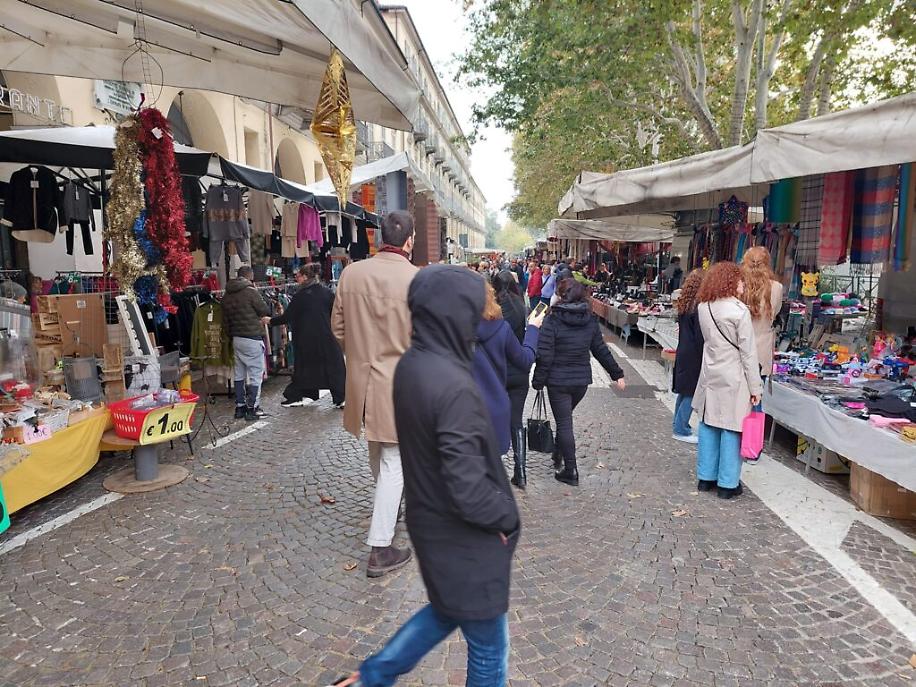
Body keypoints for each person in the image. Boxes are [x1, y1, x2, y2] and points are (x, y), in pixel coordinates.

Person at [329, 265, 521, 687]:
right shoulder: (452, 384)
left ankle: (371, 677)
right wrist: (504, 519)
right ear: (455, 315)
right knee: (489, 645)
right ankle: (373, 676)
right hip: (465, 534)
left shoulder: (414, 363)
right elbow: (468, 486)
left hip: (431, 522)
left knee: (447, 610)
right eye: (472, 311)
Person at [332, 210, 418, 578]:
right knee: (394, 460)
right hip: (398, 382)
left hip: (362, 380)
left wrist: (360, 352)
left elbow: (337, 327)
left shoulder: (352, 273)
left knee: (378, 450)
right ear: (410, 241)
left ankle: (390, 505)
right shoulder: (417, 280)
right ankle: (380, 547)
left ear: (377, 237)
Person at [532, 278, 625, 486]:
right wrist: (617, 373)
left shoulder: (552, 320)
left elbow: (545, 355)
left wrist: (538, 381)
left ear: (561, 296)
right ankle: (558, 451)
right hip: (580, 382)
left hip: (558, 382)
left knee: (564, 423)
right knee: (565, 419)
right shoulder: (589, 320)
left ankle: (571, 470)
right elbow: (600, 350)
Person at [692, 262, 762, 500]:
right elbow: (748, 353)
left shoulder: (703, 307)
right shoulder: (739, 311)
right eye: (740, 280)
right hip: (734, 375)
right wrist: (756, 387)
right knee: (732, 427)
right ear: (732, 282)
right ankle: (727, 483)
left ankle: (705, 477)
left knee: (709, 423)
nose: (743, 284)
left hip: (710, 372)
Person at [474, 275, 543, 489]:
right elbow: (525, 359)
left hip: (461, 408)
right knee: (514, 422)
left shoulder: (451, 329)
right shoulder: (504, 324)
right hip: (500, 393)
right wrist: (533, 328)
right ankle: (520, 471)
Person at [270, 263, 345, 408]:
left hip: (306, 339)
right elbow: (337, 312)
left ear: (305, 277)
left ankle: (302, 394)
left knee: (306, 367)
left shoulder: (300, 296)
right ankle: (340, 397)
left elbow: (287, 317)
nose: (296, 279)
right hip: (327, 336)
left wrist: (271, 321)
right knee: (333, 368)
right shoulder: (326, 292)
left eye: (297, 276)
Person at [221, 266, 271, 421]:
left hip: (236, 338)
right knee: (256, 374)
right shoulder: (250, 291)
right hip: (252, 337)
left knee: (239, 374)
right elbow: (264, 310)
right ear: (250, 276)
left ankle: (240, 407)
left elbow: (225, 321)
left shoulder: (226, 295)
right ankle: (252, 408)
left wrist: (231, 335)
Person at [671, 270, 706, 444]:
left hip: (683, 349)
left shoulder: (685, 304)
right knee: (691, 392)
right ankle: (681, 428)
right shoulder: (698, 307)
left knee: (684, 391)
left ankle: (677, 424)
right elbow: (700, 335)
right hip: (694, 352)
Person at [740, 246, 784, 381]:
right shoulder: (777, 287)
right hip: (762, 349)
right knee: (756, 395)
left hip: (738, 348)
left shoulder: (738, 286)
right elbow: (775, 313)